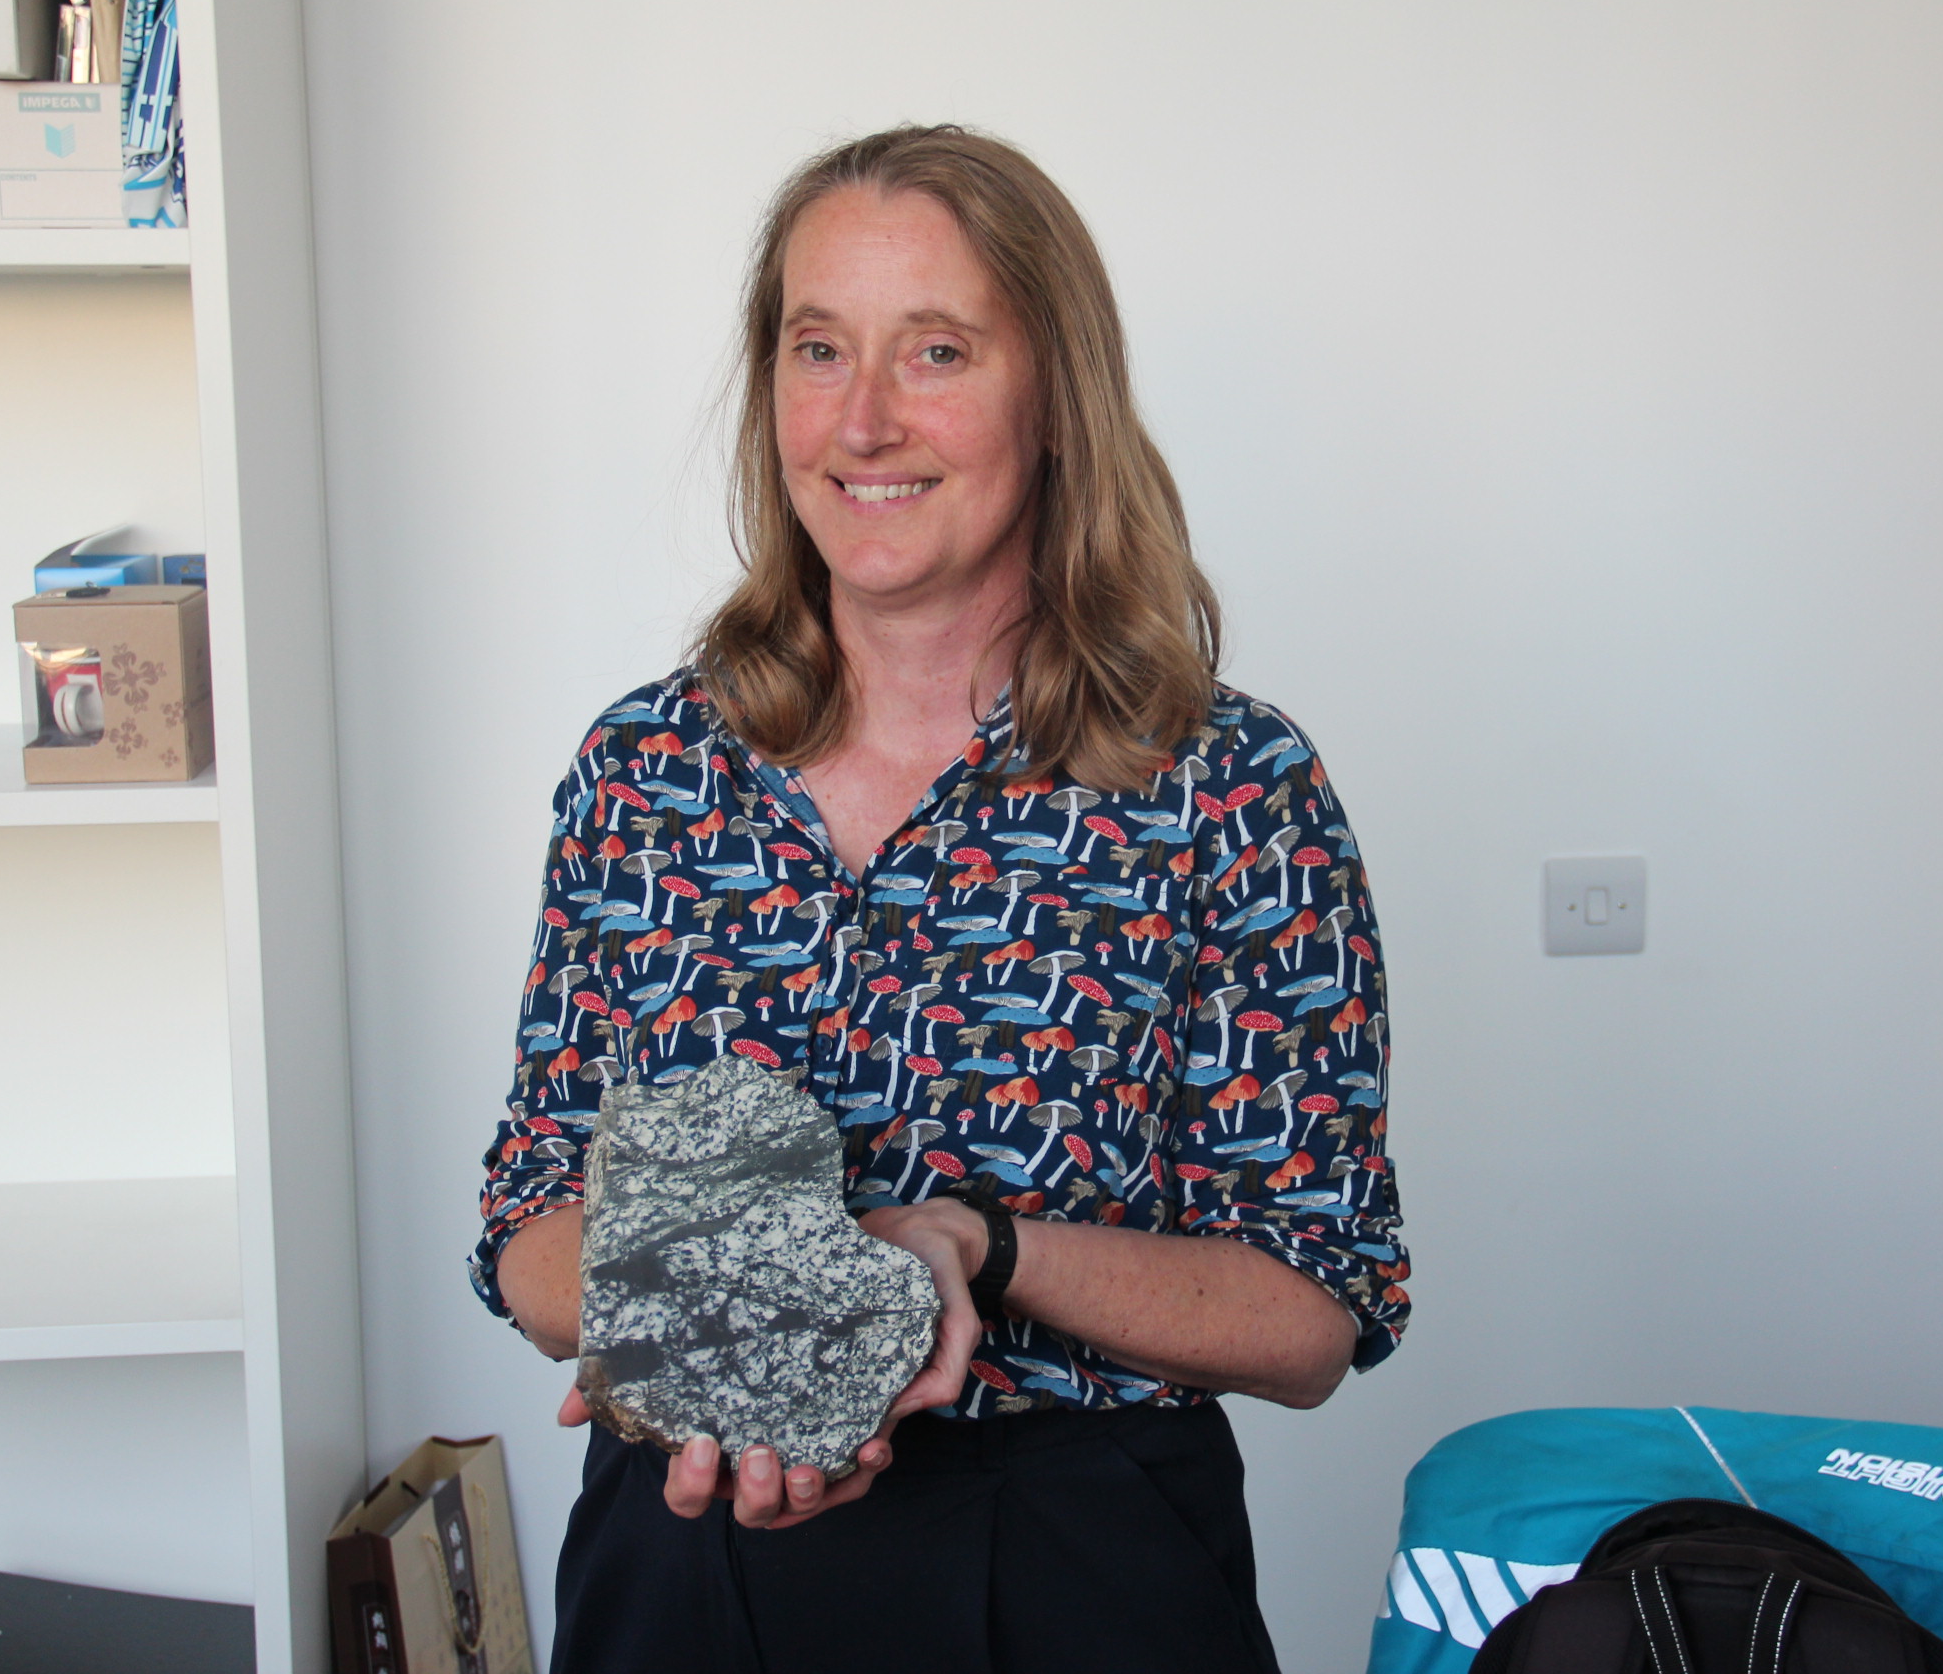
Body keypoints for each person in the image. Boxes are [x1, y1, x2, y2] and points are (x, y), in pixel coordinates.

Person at [474, 124, 1409, 1674]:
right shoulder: (652, 769)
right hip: (684, 1555)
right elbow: (524, 1228)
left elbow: (1313, 1310)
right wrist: (734, 1329)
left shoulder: (1226, 788)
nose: (863, 418)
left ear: (1054, 402)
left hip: (1076, 1566)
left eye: (939, 352)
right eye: (818, 346)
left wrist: (970, 1243)